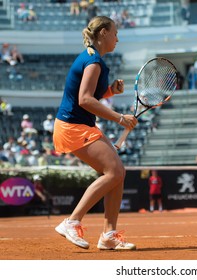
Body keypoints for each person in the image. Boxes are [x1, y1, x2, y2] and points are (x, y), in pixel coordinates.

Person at [53, 16, 138, 250]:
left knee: (117, 173)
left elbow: (88, 95)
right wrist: (120, 118)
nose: (117, 38)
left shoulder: (95, 59)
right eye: (115, 33)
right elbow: (84, 99)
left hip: (80, 124)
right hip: (73, 126)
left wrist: (110, 91)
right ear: (102, 33)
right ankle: (72, 221)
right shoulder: (93, 62)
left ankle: (109, 235)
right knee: (114, 171)